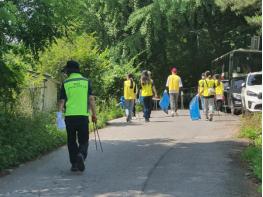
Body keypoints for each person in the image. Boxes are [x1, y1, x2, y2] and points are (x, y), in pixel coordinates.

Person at [58, 60, 97, 172]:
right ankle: (81, 154)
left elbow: (61, 102)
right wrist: (94, 114)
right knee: (84, 140)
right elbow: (91, 99)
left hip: (70, 117)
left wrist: (59, 117)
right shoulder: (86, 81)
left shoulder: (65, 83)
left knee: (71, 141)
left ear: (69, 70)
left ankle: (74, 164)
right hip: (83, 116)